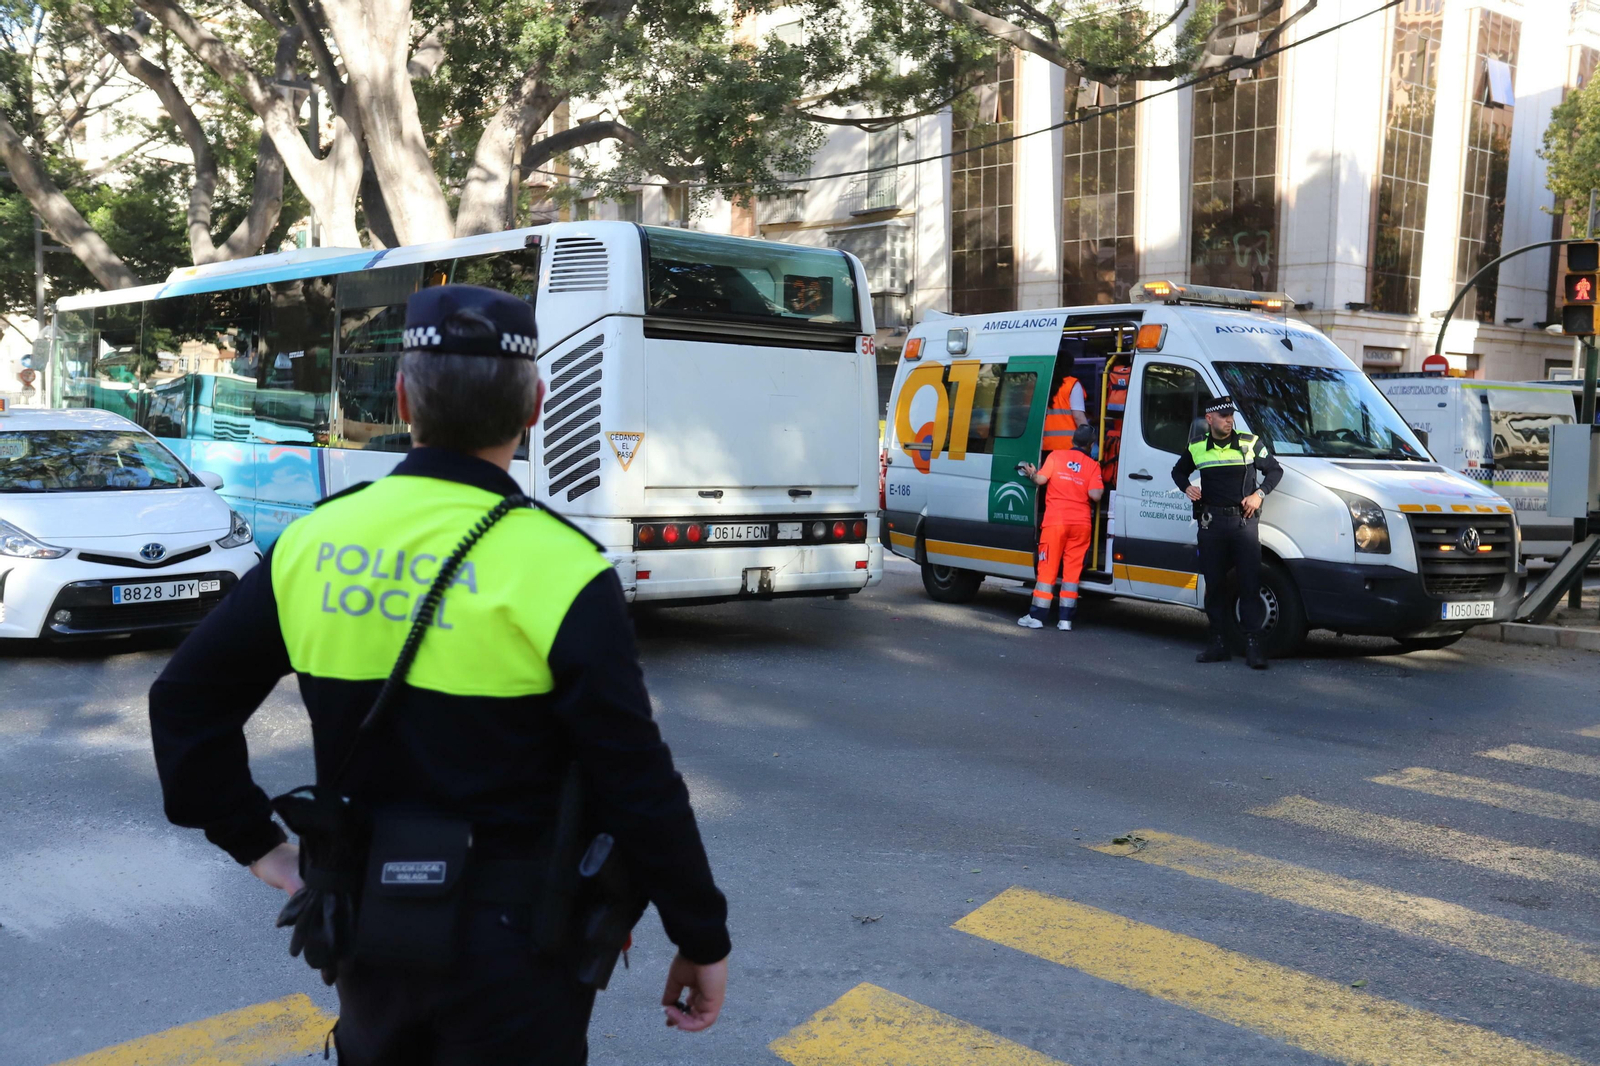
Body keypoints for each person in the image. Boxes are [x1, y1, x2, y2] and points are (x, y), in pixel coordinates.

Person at [147, 285, 729, 1065]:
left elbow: (185, 701)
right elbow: (635, 777)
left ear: (400, 399)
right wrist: (700, 934)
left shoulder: (314, 542)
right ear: (536, 406)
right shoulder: (562, 565)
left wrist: (258, 844)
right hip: (521, 946)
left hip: (369, 924)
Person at [1170, 395, 1283, 669]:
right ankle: (1217, 643)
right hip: (1212, 526)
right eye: (1223, 417)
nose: (1229, 420)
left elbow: (1275, 471)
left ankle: (1253, 645)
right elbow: (1178, 471)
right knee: (1216, 586)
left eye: (1231, 416)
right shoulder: (1198, 447)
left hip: (1243, 525)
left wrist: (1259, 494)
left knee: (1249, 585)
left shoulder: (1248, 442)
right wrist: (1187, 487)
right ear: (1209, 419)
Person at [1018, 424, 1103, 631]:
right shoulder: (1093, 465)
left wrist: (1031, 473)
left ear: (1072, 441)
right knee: (1072, 574)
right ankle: (1065, 620)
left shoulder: (1056, 456)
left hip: (1056, 522)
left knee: (1047, 569)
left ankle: (1037, 616)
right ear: (1090, 445)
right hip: (1081, 525)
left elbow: (1040, 479)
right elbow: (1096, 495)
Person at [1041, 372, 1089, 451]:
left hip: (1044, 446)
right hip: (1068, 446)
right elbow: (1078, 417)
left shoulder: (1041, 383)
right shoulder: (1072, 384)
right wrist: (1088, 441)